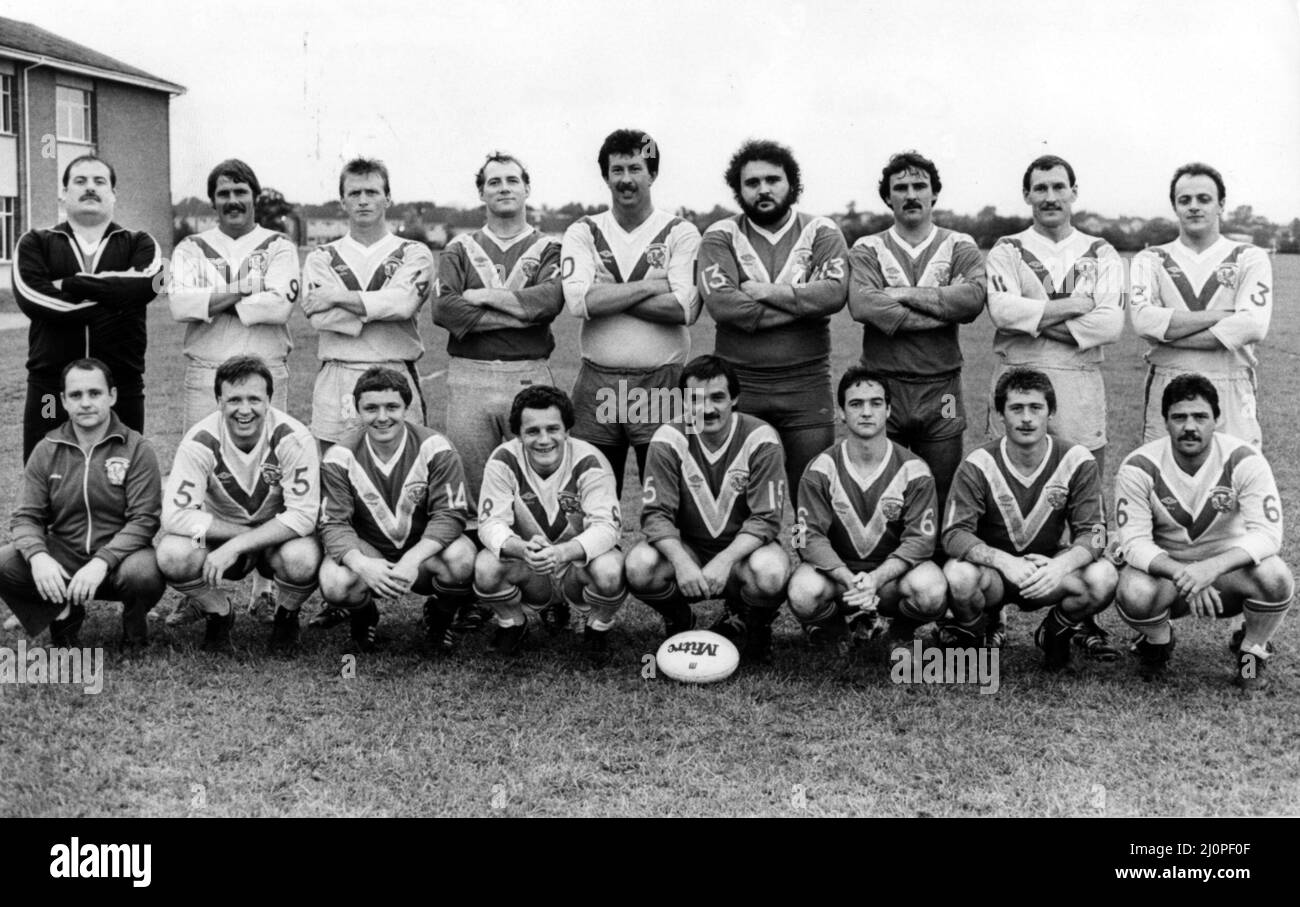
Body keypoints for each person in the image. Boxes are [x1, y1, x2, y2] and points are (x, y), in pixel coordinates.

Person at [985, 154, 1126, 661]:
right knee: (1001, 495)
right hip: (1018, 378)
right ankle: (992, 614)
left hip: (1081, 385)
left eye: (1058, 187)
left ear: (1074, 192)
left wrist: (1033, 316)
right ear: (1027, 195)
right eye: (1039, 188)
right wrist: (1073, 308)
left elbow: (1109, 325)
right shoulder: (1007, 249)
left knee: (1081, 498)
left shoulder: (1101, 250)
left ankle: (1077, 619)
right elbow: (1000, 310)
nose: (1050, 196)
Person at [168, 158, 300, 622]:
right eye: (223, 193)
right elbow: (181, 304)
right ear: (213, 200)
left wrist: (214, 298)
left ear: (254, 195)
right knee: (204, 471)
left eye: (240, 191)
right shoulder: (191, 246)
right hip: (205, 369)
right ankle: (200, 585)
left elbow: (278, 307)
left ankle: (265, 585)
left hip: (266, 368)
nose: (232, 201)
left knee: (271, 474)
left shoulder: (279, 245)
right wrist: (246, 286)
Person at [1113, 373, 1292, 689]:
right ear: (1165, 421)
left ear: (1217, 420)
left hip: (1228, 577)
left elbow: (1267, 534)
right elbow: (1134, 543)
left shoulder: (1244, 460)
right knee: (1132, 590)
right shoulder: (1138, 466)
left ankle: (1252, 653)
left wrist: (1210, 568)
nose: (1190, 426)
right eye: (1179, 417)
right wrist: (1187, 574)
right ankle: (1158, 642)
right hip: (1169, 579)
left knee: (1276, 576)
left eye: (1200, 416)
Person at [699, 139, 848, 499]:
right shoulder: (720, 235)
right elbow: (724, 306)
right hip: (738, 384)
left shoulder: (822, 231)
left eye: (773, 179)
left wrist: (765, 292)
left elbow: (833, 295)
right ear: (739, 190)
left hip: (807, 385)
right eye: (751, 183)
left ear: (791, 184)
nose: (763, 189)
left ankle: (804, 554)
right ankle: (742, 558)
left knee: (810, 496)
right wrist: (802, 305)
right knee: (730, 494)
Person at [942, 368, 1117, 670]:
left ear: (1051, 412)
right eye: (1016, 408)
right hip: (995, 574)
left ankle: (1056, 630)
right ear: (1001, 414)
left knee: (1104, 576)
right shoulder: (978, 464)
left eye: (1036, 408)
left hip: (1048, 570)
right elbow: (954, 534)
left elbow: (1097, 533)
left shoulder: (1077, 460)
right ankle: (974, 632)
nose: (1026, 418)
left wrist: (1061, 564)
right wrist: (1003, 561)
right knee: (959, 575)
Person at [561, 128, 702, 498]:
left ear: (652, 174)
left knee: (665, 493)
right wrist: (653, 285)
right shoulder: (585, 230)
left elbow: (684, 307)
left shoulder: (679, 232)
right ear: (605, 175)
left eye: (635, 168)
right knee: (591, 494)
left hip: (657, 383)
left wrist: (607, 293)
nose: (626, 179)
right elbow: (579, 303)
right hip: (598, 382)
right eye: (617, 169)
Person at [847, 150, 986, 516]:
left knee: (942, 490)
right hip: (883, 385)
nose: (911, 194)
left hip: (943, 390)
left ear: (934, 193)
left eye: (919, 186)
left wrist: (900, 294)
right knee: (880, 491)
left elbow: (972, 301)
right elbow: (862, 305)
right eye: (901, 187)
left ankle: (936, 567)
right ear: (887, 196)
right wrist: (942, 308)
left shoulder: (960, 244)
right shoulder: (867, 247)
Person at [625, 356, 789, 664]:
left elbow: (766, 519)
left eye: (718, 397)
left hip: (742, 556)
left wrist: (726, 559)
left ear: (734, 398)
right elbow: (655, 515)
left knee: (772, 572)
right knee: (639, 566)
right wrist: (681, 561)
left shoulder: (760, 437)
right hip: (690, 550)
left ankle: (755, 624)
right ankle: (679, 618)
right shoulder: (668, 438)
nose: (708, 409)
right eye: (696, 399)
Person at [155, 356, 321, 654]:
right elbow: (175, 516)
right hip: (221, 535)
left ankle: (287, 614)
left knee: (303, 558)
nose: (244, 409)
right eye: (234, 400)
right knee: (172, 553)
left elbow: (304, 516)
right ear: (219, 400)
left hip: (276, 540)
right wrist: (238, 537)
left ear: (270, 399)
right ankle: (218, 610)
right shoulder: (200, 440)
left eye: (254, 399)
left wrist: (240, 543)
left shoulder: (294, 438)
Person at [0, 359, 163, 649]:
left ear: (112, 396)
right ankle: (62, 614)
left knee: (145, 572)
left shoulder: (137, 448)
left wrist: (102, 561)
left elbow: (145, 520)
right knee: (4, 563)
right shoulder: (46, 448)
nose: (85, 403)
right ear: (63, 401)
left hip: (119, 562)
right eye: (76, 395)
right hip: (64, 557)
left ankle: (134, 629)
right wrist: (38, 557)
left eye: (95, 393)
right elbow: (26, 517)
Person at [432, 151, 563, 508]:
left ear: (527, 188)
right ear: (482, 193)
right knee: (471, 485)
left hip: (529, 373)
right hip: (469, 376)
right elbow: (444, 309)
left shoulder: (550, 247)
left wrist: (482, 297)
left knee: (538, 480)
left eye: (512, 180)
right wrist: (524, 315)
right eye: (494, 182)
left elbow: (549, 302)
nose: (504, 188)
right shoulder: (460, 248)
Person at [788, 367, 947, 657]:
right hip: (839, 581)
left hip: (890, 582)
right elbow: (805, 538)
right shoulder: (819, 469)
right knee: (801, 591)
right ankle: (836, 631)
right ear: (841, 413)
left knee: (932, 589)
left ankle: (899, 634)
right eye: (856, 404)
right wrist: (848, 578)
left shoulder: (914, 470)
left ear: (888, 410)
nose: (866, 412)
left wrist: (876, 578)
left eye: (875, 403)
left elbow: (921, 541)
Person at [316, 367, 477, 653]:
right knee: (334, 582)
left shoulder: (435, 447)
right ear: (357, 411)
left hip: (423, 554)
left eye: (391, 407)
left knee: (461, 556)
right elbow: (333, 524)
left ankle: (439, 622)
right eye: (371, 408)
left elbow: (450, 515)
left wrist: (412, 560)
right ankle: (364, 617)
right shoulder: (339, 456)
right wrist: (363, 564)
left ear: (406, 407)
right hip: (372, 553)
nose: (381, 417)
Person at [12, 155, 160, 462]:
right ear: (63, 193)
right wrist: (116, 301)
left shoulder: (139, 242)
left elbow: (151, 284)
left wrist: (67, 283)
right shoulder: (35, 242)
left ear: (113, 195)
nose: (90, 188)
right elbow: (33, 298)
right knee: (46, 475)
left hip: (121, 387)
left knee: (122, 478)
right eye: (80, 181)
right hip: (51, 390)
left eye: (99, 181)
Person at [473, 385, 627, 664]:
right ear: (518, 434)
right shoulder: (503, 459)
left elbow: (607, 527)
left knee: (611, 569)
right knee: (485, 566)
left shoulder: (590, 459)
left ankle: (597, 626)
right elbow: (490, 523)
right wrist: (521, 548)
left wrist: (563, 552)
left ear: (567, 430)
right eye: (532, 431)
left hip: (576, 566)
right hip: (530, 564)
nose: (544, 439)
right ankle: (512, 624)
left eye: (553, 429)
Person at [1129, 162, 1272, 450]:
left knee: (1234, 478)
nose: (1194, 207)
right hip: (1169, 384)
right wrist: (1222, 316)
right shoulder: (1150, 259)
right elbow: (1143, 322)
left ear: (1221, 204)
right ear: (1175, 206)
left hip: (1230, 382)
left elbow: (1252, 326)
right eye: (1185, 200)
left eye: (1203, 199)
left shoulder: (1250, 257)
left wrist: (1168, 333)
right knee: (1168, 481)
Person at [302, 158, 434, 448]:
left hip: (395, 371)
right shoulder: (321, 256)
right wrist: (381, 308)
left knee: (401, 468)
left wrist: (338, 297)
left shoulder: (414, 252)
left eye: (372, 192)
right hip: (338, 374)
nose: (363, 201)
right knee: (334, 469)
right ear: (342, 201)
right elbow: (320, 317)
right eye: (355, 193)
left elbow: (404, 305)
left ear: (388, 198)